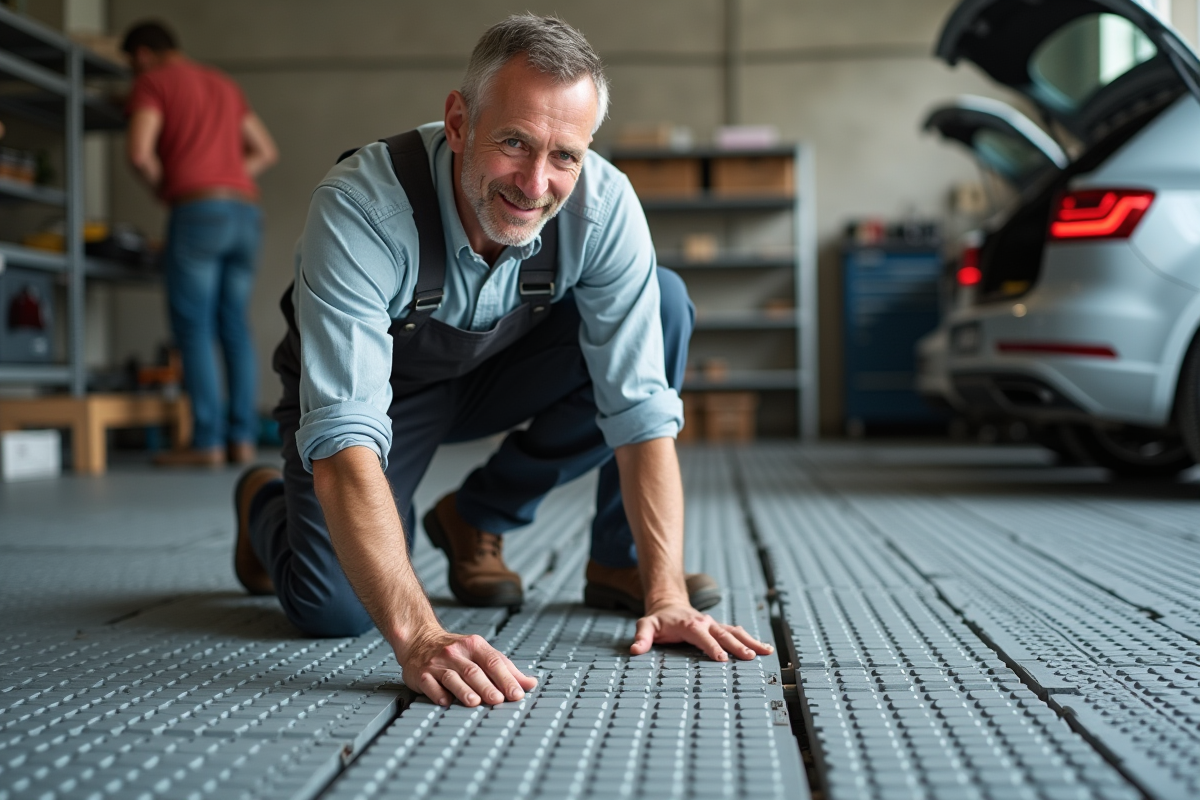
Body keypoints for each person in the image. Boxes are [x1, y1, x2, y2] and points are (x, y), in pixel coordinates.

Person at [233, 13, 773, 708]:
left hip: (501, 371)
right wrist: (420, 636)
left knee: (664, 303)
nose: (535, 183)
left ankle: (598, 554)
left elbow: (641, 412)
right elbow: (344, 439)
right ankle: (265, 502)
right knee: (331, 609)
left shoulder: (604, 208)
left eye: (565, 156)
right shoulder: (361, 210)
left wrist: (668, 594)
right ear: (459, 122)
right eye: (514, 142)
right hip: (385, 399)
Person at [123, 21, 278, 467]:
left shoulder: (153, 82)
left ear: (142, 55)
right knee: (235, 325)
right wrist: (228, 177)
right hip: (246, 212)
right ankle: (242, 439)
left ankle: (206, 442)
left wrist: (169, 187)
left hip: (198, 211)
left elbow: (139, 152)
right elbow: (265, 151)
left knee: (194, 328)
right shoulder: (222, 83)